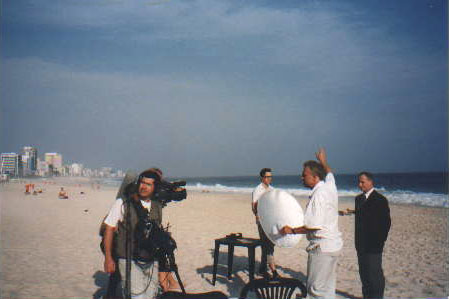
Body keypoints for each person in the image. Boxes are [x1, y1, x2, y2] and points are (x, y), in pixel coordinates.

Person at [280, 148, 343, 299]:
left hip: (321, 247)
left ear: (315, 177)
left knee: (316, 290)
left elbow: (312, 226)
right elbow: (330, 173)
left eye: (305, 175)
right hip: (333, 246)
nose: (302, 177)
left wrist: (291, 231)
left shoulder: (319, 195)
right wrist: (323, 161)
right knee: (327, 289)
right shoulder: (329, 186)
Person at [103, 169, 163, 299]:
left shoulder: (157, 206)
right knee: (137, 297)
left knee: (151, 295)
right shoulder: (122, 203)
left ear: (155, 187)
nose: (143, 186)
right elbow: (109, 229)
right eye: (142, 182)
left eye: (148, 184)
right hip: (128, 258)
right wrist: (108, 257)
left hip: (151, 260)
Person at [355, 172, 391, 299]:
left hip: (374, 246)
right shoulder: (358, 199)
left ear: (371, 182)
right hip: (360, 245)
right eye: (359, 182)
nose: (360, 185)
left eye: (363, 182)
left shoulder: (380, 200)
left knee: (374, 275)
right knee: (364, 275)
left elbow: (386, 223)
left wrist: (379, 242)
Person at [252, 168, 279, 279]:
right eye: (267, 177)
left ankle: (262, 269)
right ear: (262, 178)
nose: (269, 179)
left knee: (269, 245)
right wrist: (258, 216)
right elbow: (254, 207)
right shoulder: (257, 190)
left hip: (272, 221)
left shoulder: (272, 189)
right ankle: (273, 270)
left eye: (270, 176)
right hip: (262, 222)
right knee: (267, 245)